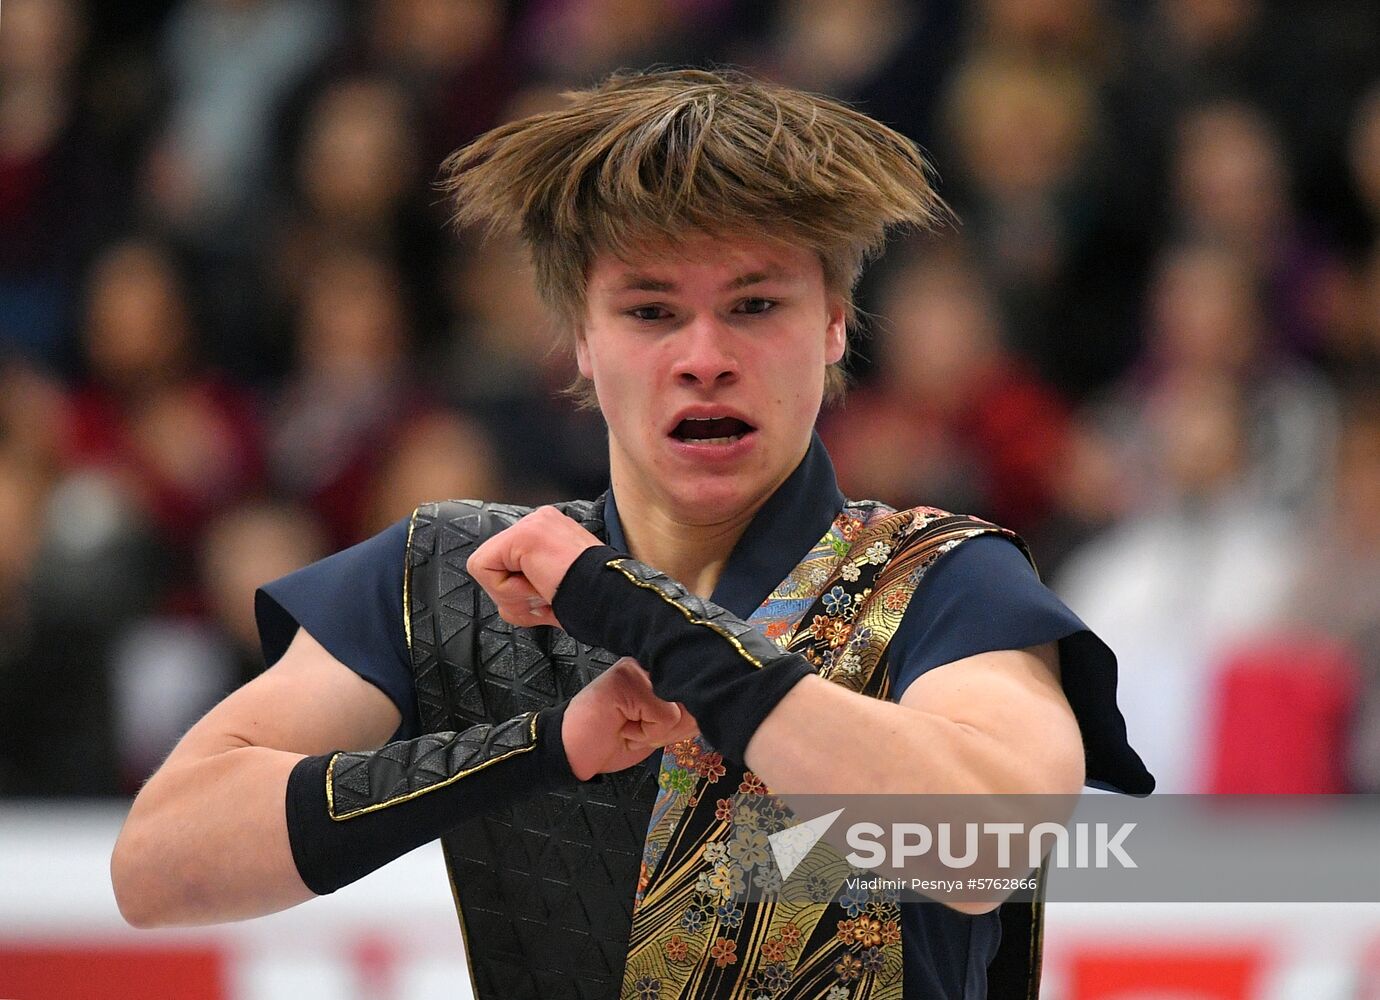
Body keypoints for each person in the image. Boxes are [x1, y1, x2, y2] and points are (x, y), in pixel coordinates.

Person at [111, 68, 1152, 999]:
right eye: (652, 313)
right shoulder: (460, 580)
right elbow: (159, 864)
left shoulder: (944, 580)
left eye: (754, 304)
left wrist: (649, 622)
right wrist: (534, 748)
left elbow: (983, 846)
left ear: (835, 322)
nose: (705, 356)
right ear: (578, 338)